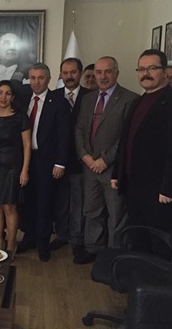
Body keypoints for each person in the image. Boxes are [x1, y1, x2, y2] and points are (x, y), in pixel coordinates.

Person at [112, 49, 172, 256]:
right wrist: (117, 173)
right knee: (138, 237)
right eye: (141, 69)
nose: (145, 73)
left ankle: (157, 277)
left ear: (165, 72)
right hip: (134, 185)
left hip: (159, 190)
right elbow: (127, 140)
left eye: (151, 68)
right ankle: (139, 274)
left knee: (159, 241)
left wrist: (169, 188)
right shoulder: (139, 100)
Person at [74, 56, 139, 264]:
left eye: (107, 72)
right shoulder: (87, 98)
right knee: (92, 211)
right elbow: (79, 129)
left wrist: (106, 159)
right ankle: (93, 248)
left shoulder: (130, 99)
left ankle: (114, 256)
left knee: (116, 215)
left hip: (112, 169)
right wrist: (85, 156)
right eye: (99, 72)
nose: (102, 76)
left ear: (116, 73)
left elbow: (127, 137)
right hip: (89, 166)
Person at [17, 63, 70, 262]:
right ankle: (29, 237)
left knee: (45, 203)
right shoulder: (23, 99)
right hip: (25, 159)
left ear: (49, 79)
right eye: (33, 78)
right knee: (27, 202)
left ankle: (42, 243)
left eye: (41, 78)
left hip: (47, 161)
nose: (36, 82)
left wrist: (60, 163)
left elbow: (64, 135)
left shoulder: (58, 101)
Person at [50, 58, 91, 258]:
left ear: (80, 73)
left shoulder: (90, 97)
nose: (69, 76)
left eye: (73, 72)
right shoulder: (53, 96)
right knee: (60, 201)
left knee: (78, 202)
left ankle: (76, 239)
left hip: (80, 160)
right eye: (65, 73)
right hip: (57, 160)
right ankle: (62, 234)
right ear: (60, 75)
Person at [0, 80, 31, 253]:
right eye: (0, 93)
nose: (3, 97)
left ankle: (11, 244)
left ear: (13, 97)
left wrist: (25, 170)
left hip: (13, 168)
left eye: (7, 93)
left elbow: (27, 145)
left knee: (9, 207)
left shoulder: (21, 117)